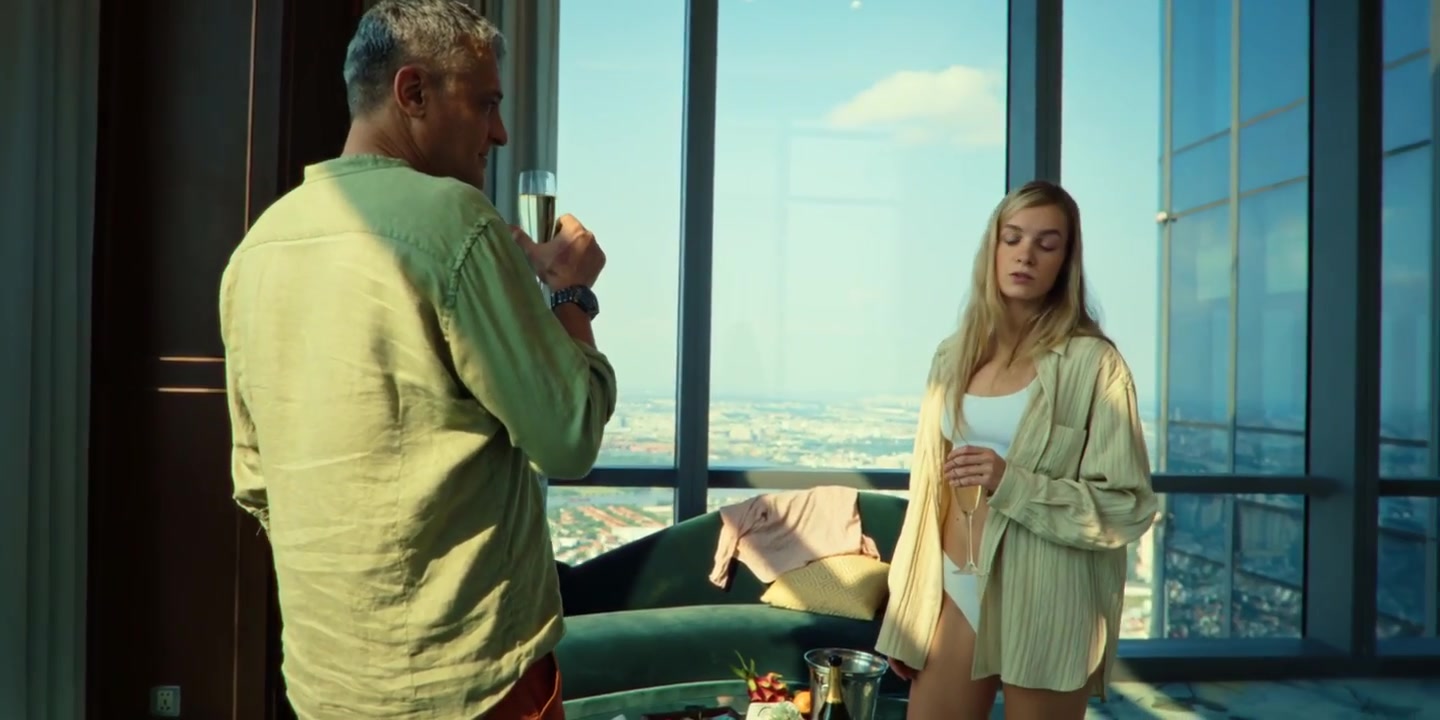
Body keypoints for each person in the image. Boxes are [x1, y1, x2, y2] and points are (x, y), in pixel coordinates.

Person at [219, 1, 616, 717]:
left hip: (325, 685)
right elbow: (569, 436)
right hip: (471, 684)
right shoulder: (458, 223)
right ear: (413, 92)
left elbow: (255, 481)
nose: (499, 131)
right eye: (486, 103)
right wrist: (571, 295)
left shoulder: (258, 249)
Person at [875, 180, 1158, 720]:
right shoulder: (952, 357)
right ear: (994, 248)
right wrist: (906, 610)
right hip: (954, 587)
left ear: (1065, 264)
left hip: (1048, 597)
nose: (1026, 254)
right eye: (1013, 238)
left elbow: (1128, 506)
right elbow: (926, 494)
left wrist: (1012, 482)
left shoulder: (1095, 365)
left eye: (1047, 244)